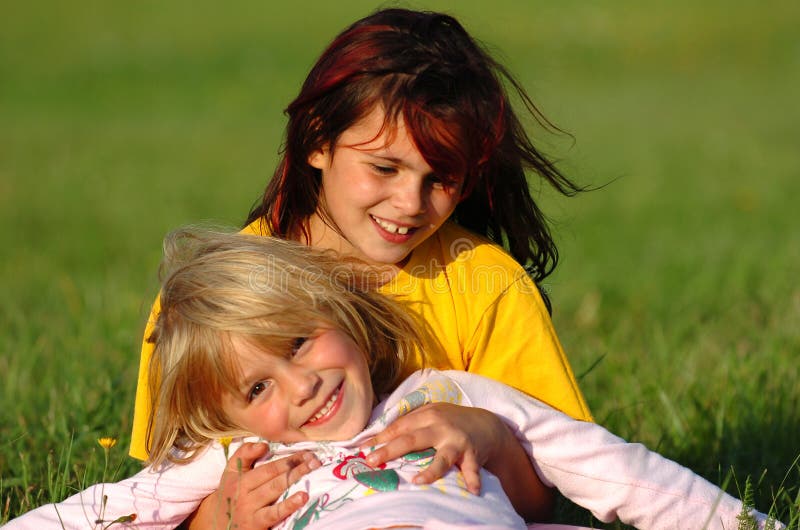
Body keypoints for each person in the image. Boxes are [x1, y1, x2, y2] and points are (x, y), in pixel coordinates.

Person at [130, 7, 594, 527]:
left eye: (440, 178)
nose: (410, 202)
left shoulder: (490, 287)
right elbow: (159, 498)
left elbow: (544, 498)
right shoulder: (213, 299)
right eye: (384, 167)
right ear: (319, 140)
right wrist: (217, 518)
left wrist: (489, 439)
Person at [5, 229, 780, 530]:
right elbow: (98, 513)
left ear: (340, 313)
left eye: (300, 343)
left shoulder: (451, 398)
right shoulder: (239, 460)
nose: (299, 388)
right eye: (255, 390)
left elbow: (617, 473)